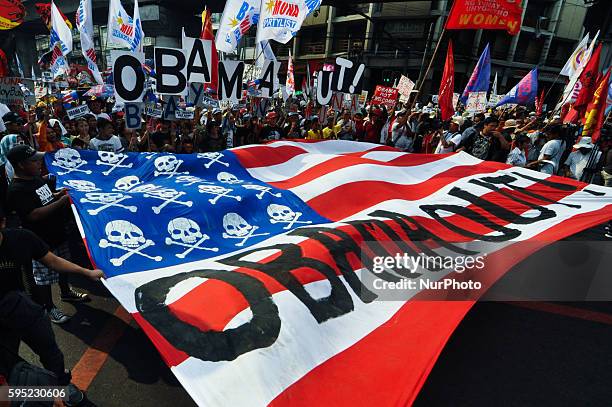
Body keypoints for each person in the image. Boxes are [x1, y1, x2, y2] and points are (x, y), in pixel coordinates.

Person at [0, 205, 103, 405]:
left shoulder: (21, 238)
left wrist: (87, 273)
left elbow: (53, 261)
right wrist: (46, 397)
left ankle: (62, 386)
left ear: (2, 222)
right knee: (12, 369)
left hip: (26, 311)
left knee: (51, 354)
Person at [6, 145, 90, 324]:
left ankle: (66, 292)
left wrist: (59, 194)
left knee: (64, 266)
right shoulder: (16, 190)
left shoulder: (35, 178)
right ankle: (49, 307)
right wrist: (62, 202)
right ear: (21, 165)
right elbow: (33, 214)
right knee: (44, 279)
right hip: (41, 241)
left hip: (58, 233)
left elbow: (45, 196)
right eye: (34, 160)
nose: (39, 163)